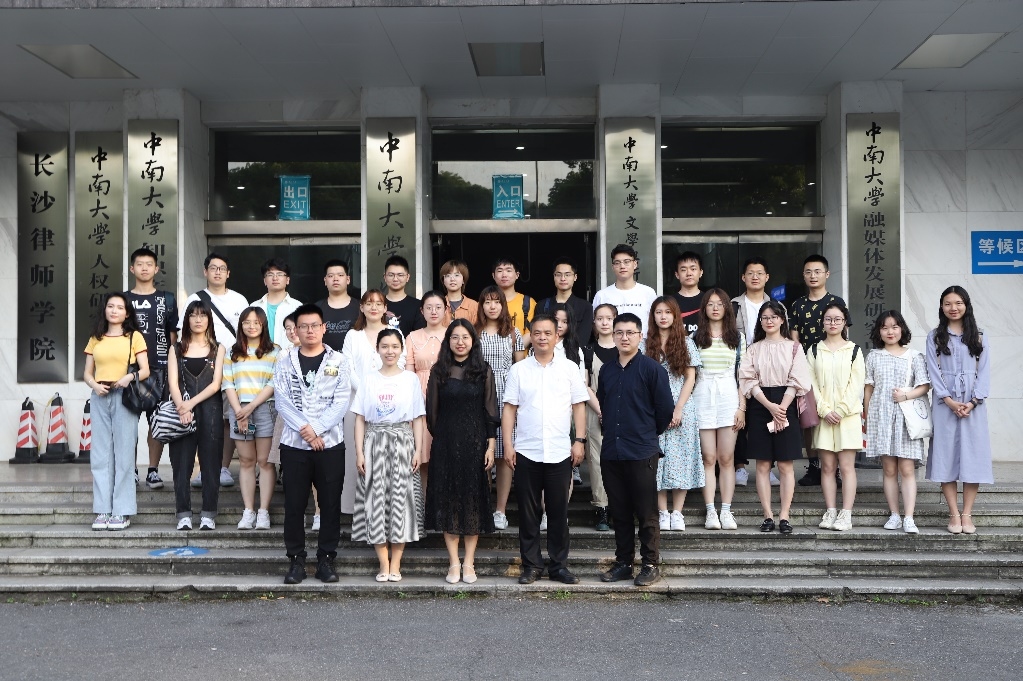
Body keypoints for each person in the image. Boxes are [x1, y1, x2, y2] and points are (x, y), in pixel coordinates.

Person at [503, 314, 589, 585]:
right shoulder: (519, 370)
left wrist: (580, 440)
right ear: (531, 335)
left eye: (547, 333)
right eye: (537, 333)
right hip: (526, 450)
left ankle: (559, 566)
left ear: (557, 336)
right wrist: (508, 445)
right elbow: (509, 409)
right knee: (528, 513)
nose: (542, 338)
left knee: (558, 512)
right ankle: (531, 566)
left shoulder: (569, 368)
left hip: (559, 450)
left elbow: (579, 406)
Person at [274, 304, 353, 584]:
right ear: (295, 330)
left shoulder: (339, 361)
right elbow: (281, 400)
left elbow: (341, 401)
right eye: (303, 326)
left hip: (330, 445)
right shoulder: (285, 361)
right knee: (294, 505)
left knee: (330, 505)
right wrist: (308, 433)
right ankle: (296, 560)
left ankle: (326, 560)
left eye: (314, 326)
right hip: (294, 445)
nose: (309, 331)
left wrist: (317, 429)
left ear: (324, 328)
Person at [597, 313, 674, 587]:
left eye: (630, 332)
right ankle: (623, 564)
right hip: (612, 450)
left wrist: (646, 433)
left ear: (640, 336)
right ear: (613, 336)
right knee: (619, 511)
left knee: (646, 511)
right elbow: (603, 404)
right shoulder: (606, 370)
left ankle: (650, 564)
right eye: (619, 332)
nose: (624, 337)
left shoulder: (653, 369)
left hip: (641, 450)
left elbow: (665, 411)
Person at [424, 319, 499, 585]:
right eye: (455, 337)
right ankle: (454, 562)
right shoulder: (439, 371)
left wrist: (490, 445)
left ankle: (469, 562)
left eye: (465, 337)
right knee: (449, 502)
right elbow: (432, 413)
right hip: (445, 443)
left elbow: (491, 411)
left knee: (472, 500)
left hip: (476, 444)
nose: (460, 342)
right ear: (448, 341)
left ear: (473, 341)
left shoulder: (483, 370)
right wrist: (445, 436)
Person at [352, 329, 426, 582]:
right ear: (378, 349)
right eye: (385, 346)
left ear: (401, 349)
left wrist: (418, 450)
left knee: (401, 502)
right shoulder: (368, 379)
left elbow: (418, 418)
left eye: (395, 346)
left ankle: (396, 563)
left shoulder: (410, 379)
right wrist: (359, 452)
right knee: (376, 502)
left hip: (403, 442)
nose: (390, 351)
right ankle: (383, 563)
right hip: (374, 442)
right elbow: (359, 419)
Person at [738, 300, 812, 535]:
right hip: (760, 405)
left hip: (786, 403)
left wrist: (781, 407)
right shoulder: (753, 348)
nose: (769, 321)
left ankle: (785, 515)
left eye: (774, 317)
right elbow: (747, 379)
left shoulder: (794, 347)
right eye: (765, 317)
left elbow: (798, 379)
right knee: (762, 464)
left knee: (785, 464)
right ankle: (767, 515)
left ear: (782, 320)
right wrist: (769, 406)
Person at [926, 286, 992, 535]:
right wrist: (949, 400)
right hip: (945, 405)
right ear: (941, 307)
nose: (953, 308)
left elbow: (984, 372)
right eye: (947, 303)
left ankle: (967, 514)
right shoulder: (935, 336)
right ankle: (953, 513)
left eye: (958, 303)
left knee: (973, 456)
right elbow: (933, 370)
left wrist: (973, 402)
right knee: (946, 456)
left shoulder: (979, 336)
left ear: (966, 305)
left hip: (974, 405)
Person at [82, 292, 150, 532]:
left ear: (127, 313)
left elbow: (145, 370)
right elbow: (87, 373)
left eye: (119, 307)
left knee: (123, 454)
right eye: (110, 306)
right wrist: (94, 385)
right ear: (105, 310)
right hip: (99, 396)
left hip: (124, 396)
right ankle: (103, 510)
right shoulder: (96, 338)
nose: (114, 311)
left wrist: (128, 378)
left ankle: (121, 510)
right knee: (100, 455)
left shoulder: (135, 337)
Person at [180, 253, 248, 489]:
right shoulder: (194, 299)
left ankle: (223, 468)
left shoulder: (240, 300)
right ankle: (203, 469)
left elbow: (247, 333)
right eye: (213, 268)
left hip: (232, 367)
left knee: (228, 418)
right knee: (202, 419)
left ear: (228, 273)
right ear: (205, 272)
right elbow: (183, 333)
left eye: (222, 268)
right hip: (200, 368)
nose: (217, 272)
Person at [864, 310, 930, 535]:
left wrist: (905, 395)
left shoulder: (915, 356)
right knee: (889, 469)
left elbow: (924, 385)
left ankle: (909, 517)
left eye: (894, 326)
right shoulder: (874, 356)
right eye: (884, 327)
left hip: (906, 419)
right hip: (881, 417)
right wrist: (867, 417)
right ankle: (894, 514)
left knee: (907, 468)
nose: (890, 331)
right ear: (879, 331)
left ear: (902, 329)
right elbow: (868, 388)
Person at [341, 290, 407, 514]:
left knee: (386, 456)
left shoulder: (395, 333)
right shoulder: (353, 335)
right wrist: (366, 392)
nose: (374, 308)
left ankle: (385, 509)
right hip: (356, 403)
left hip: (389, 404)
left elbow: (401, 363)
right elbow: (347, 367)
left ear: (385, 308)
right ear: (361, 307)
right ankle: (355, 509)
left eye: (379, 304)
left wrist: (378, 393)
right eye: (369, 303)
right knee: (356, 454)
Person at [166, 300, 226, 531]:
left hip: (211, 411)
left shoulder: (218, 348)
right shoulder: (176, 348)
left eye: (203, 315)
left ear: (209, 319)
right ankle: (183, 514)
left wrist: (189, 404)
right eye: (193, 315)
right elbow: (173, 382)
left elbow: (216, 384)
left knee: (211, 464)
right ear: (187, 319)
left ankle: (209, 514)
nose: (198, 319)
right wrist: (182, 407)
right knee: (181, 465)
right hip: (182, 412)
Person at [645, 297, 703, 532]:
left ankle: (677, 512)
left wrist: (678, 408)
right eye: (658, 312)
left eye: (668, 312)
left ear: (675, 315)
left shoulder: (687, 343)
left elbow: (690, 378)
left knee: (682, 459)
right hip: (653, 410)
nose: (663, 316)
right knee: (657, 461)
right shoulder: (645, 344)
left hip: (683, 407)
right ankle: (662, 512)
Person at [806, 303, 865, 532]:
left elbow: (856, 384)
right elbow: (810, 383)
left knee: (847, 467)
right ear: (822, 322)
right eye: (829, 319)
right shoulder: (813, 350)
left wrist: (840, 410)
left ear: (845, 322)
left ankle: (846, 513)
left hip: (847, 417)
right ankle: (831, 510)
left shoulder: (854, 351)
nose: (833, 323)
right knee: (828, 467)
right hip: (824, 417)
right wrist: (824, 410)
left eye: (837, 319)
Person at [789, 255, 847, 487]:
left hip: (834, 367)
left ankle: (834, 469)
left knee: (833, 414)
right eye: (808, 272)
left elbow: (844, 336)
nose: (813, 276)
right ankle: (814, 467)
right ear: (803, 275)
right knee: (810, 418)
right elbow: (794, 340)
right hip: (807, 370)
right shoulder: (797, 305)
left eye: (817, 271)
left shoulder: (836, 302)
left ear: (827, 274)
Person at [693, 289, 746, 531]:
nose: (715, 308)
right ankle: (710, 511)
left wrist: (742, 408)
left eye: (720, 304)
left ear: (727, 308)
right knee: (708, 457)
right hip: (702, 395)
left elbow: (742, 376)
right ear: (704, 308)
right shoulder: (695, 337)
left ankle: (726, 510)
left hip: (728, 396)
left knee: (726, 458)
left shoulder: (738, 338)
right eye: (710, 304)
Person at [474, 285, 525, 531]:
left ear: (503, 305)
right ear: (481, 306)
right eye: (487, 301)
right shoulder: (473, 332)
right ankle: (483, 506)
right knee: (481, 453)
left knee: (505, 453)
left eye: (496, 301)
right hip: (479, 393)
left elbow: (520, 368)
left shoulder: (513, 333)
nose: (492, 306)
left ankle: (500, 510)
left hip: (506, 394)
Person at [731, 257, 785, 487]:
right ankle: (740, 467)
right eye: (750, 273)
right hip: (741, 368)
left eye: (760, 273)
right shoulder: (733, 305)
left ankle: (768, 467)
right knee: (740, 417)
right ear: (743, 277)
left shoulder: (777, 306)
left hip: (770, 370)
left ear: (767, 277)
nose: (755, 277)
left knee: (767, 416)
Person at [127, 247, 178, 491]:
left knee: (156, 421)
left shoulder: (167, 299)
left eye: (149, 264)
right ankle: (131, 471)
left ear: (156, 269)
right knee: (129, 424)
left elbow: (172, 339)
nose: (145, 268)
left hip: (160, 369)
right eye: (140, 264)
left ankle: (153, 470)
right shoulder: (123, 300)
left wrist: (173, 369)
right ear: (132, 268)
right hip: (129, 370)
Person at [225, 307, 279, 531]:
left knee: (265, 462)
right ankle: (248, 511)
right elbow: (228, 383)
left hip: (264, 408)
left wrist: (251, 407)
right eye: (247, 322)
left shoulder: (275, 351)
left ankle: (263, 511)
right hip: (239, 408)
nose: (251, 326)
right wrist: (240, 411)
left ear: (263, 325)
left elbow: (274, 383)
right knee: (246, 461)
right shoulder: (233, 351)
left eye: (256, 322)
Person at [405, 291, 449, 496]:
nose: (433, 311)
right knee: (422, 454)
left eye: (438, 307)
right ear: (421, 311)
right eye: (429, 307)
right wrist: (415, 399)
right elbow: (408, 373)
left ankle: (442, 504)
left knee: (444, 455)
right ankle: (422, 505)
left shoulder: (452, 334)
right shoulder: (412, 337)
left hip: (446, 396)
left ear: (445, 310)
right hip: (419, 398)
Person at [585, 303, 618, 531]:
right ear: (594, 322)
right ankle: (602, 508)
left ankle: (620, 506)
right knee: (596, 460)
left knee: (622, 459)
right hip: (593, 408)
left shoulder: (626, 347)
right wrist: (601, 410)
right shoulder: (587, 351)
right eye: (600, 318)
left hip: (624, 410)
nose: (605, 322)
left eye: (609, 318)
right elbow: (584, 384)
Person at [592, 244, 658, 325]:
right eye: (617, 263)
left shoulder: (648, 293)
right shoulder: (602, 295)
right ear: (613, 267)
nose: (622, 266)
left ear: (635, 264)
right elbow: (596, 325)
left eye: (626, 262)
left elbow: (655, 322)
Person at [250, 257, 302, 349]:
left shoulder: (297, 307)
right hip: (260, 355)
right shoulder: (254, 306)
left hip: (289, 356)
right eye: (270, 274)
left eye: (280, 274)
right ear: (265, 281)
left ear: (287, 280)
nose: (275, 278)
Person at [538, 258, 592, 344]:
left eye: (567, 275)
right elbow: (538, 335)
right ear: (554, 277)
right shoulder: (542, 305)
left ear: (575, 277)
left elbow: (583, 340)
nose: (563, 278)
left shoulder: (585, 307)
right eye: (558, 275)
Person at [318, 259, 361, 352]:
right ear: (325, 281)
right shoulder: (317, 309)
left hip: (353, 359)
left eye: (340, 275)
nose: (335, 279)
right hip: (325, 359)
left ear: (348, 279)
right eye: (331, 276)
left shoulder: (360, 307)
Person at [382, 254, 425, 337]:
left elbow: (420, 336)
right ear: (385, 277)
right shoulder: (377, 304)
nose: (395, 279)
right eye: (391, 275)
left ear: (407, 277)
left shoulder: (417, 305)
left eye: (400, 275)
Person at [492, 258, 535, 340]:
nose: (504, 275)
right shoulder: (486, 302)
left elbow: (530, 332)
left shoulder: (528, 302)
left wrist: (516, 347)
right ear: (493, 275)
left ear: (517, 275)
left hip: (521, 348)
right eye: (500, 271)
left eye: (508, 270)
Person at [670, 251, 704, 337]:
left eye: (693, 269)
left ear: (701, 272)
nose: (689, 273)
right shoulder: (669, 302)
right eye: (683, 270)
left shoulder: (709, 300)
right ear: (677, 275)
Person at [439, 259, 478, 325]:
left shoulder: (474, 306)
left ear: (463, 280)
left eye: (456, 275)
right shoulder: (438, 304)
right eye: (448, 275)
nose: (452, 279)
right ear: (443, 281)